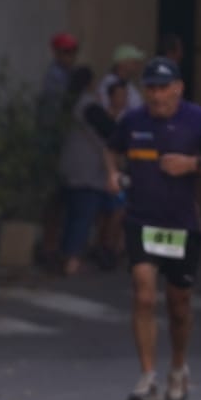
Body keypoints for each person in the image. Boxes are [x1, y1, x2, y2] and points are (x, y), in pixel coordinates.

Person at [105, 56, 201, 400]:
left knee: (179, 304)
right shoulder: (132, 121)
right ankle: (148, 376)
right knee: (144, 294)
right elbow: (112, 148)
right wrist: (113, 173)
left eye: (163, 87)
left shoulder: (199, 120)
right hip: (141, 220)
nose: (157, 94)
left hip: (181, 224)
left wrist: (194, 164)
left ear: (178, 88)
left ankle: (178, 367)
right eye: (151, 88)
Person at [59, 66, 120, 275]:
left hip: (72, 167)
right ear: (91, 84)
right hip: (87, 171)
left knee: (73, 215)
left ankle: (68, 257)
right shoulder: (88, 105)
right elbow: (111, 130)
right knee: (83, 216)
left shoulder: (70, 103)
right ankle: (73, 261)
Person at [105, 44, 148, 114]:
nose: (138, 65)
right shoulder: (109, 83)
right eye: (134, 62)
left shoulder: (127, 82)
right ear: (122, 62)